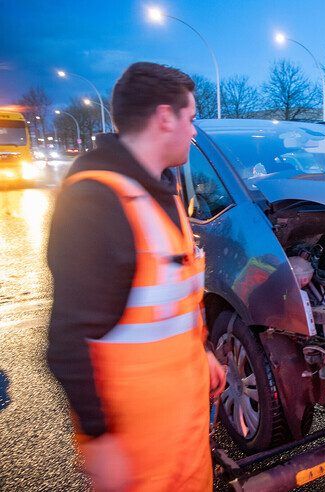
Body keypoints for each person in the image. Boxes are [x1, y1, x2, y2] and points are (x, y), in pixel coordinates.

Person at [47, 62, 226, 491]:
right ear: (165, 117)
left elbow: (168, 301)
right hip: (137, 456)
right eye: (190, 118)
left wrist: (201, 353)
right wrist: (101, 441)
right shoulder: (96, 203)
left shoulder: (161, 194)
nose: (194, 131)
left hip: (182, 440)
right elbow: (68, 341)